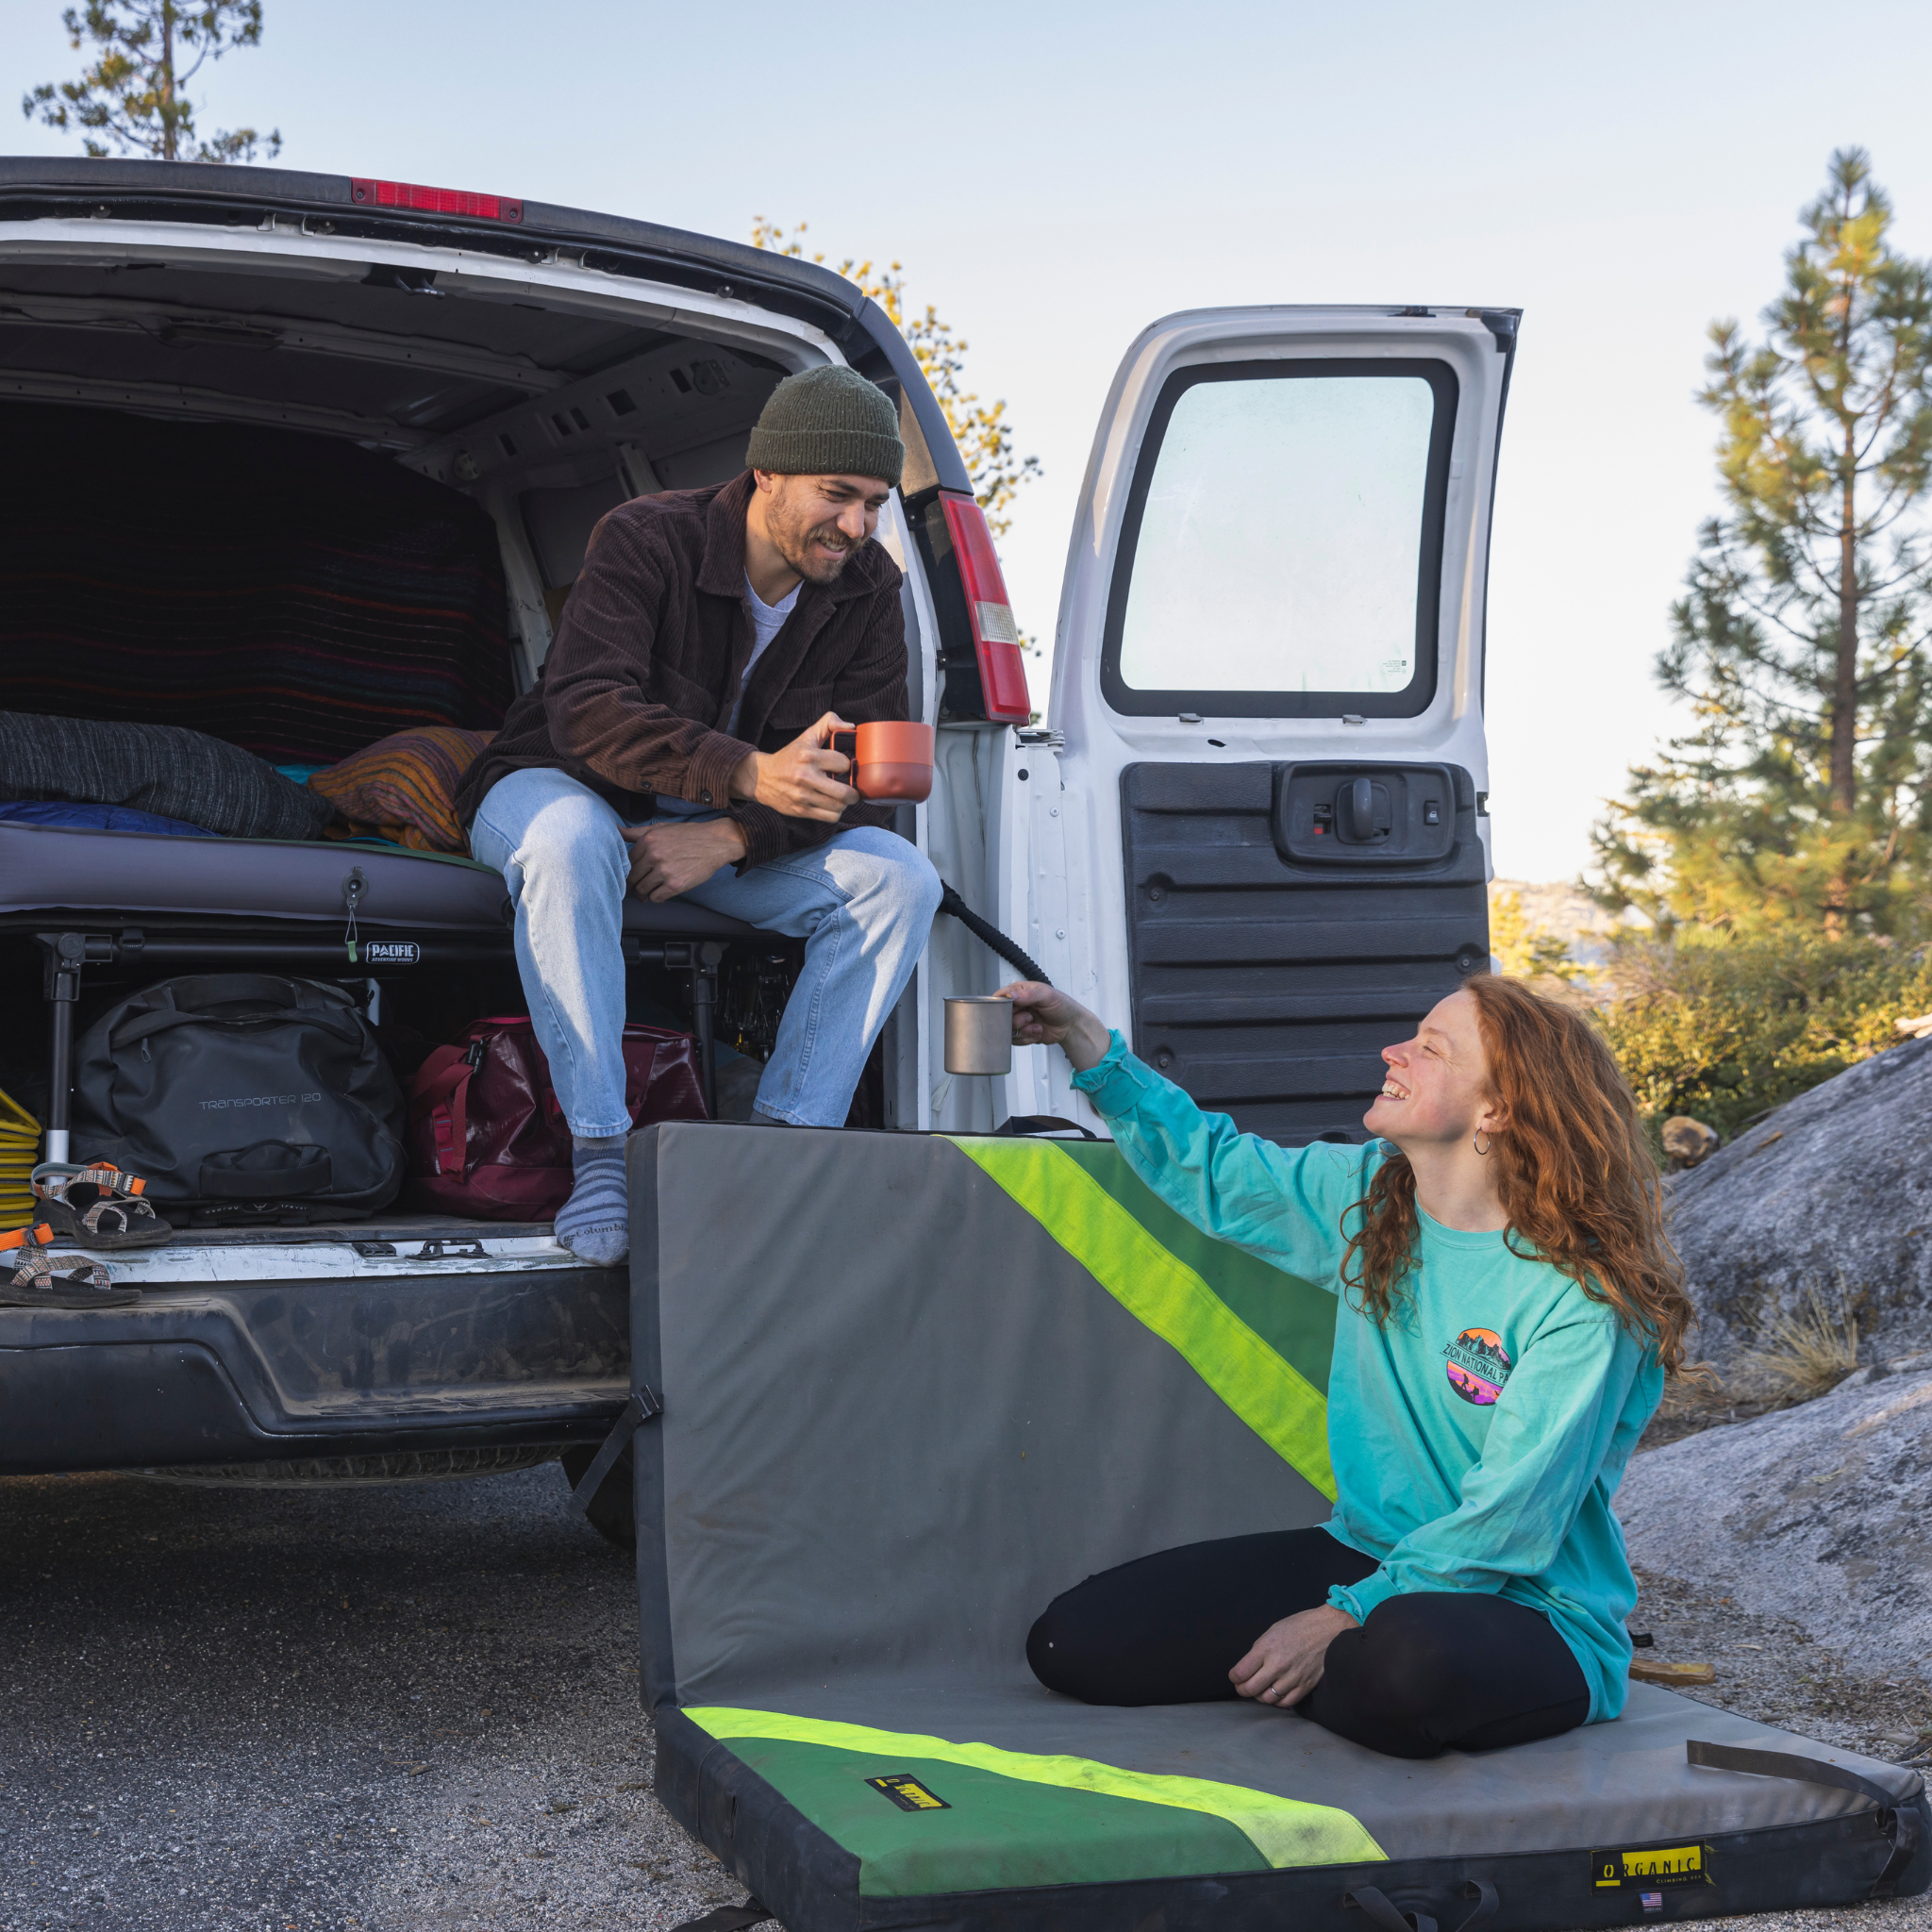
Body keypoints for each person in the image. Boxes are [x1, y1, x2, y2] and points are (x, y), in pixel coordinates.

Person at [1000, 973, 1691, 1761]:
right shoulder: (1372, 1197)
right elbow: (1210, 1168)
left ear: (1497, 1110)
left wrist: (1343, 1617)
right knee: (1072, 1643)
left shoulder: (1582, 1295)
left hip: (1530, 1602)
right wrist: (1082, 1036)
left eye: (1430, 1049)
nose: (1393, 1052)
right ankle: (1336, 1674)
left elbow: (1509, 1520)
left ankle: (1346, 1666)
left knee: (1404, 1667)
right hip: (1370, 1553)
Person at [457, 366, 941, 1264]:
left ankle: (780, 1161)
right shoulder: (647, 536)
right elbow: (587, 709)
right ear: (767, 473)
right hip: (555, 780)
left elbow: (859, 774)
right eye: (838, 495)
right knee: (569, 840)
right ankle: (601, 1153)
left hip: (717, 833)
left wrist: (730, 835)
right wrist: (750, 773)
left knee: (901, 879)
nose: (857, 526)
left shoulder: (869, 588)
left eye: (875, 503)